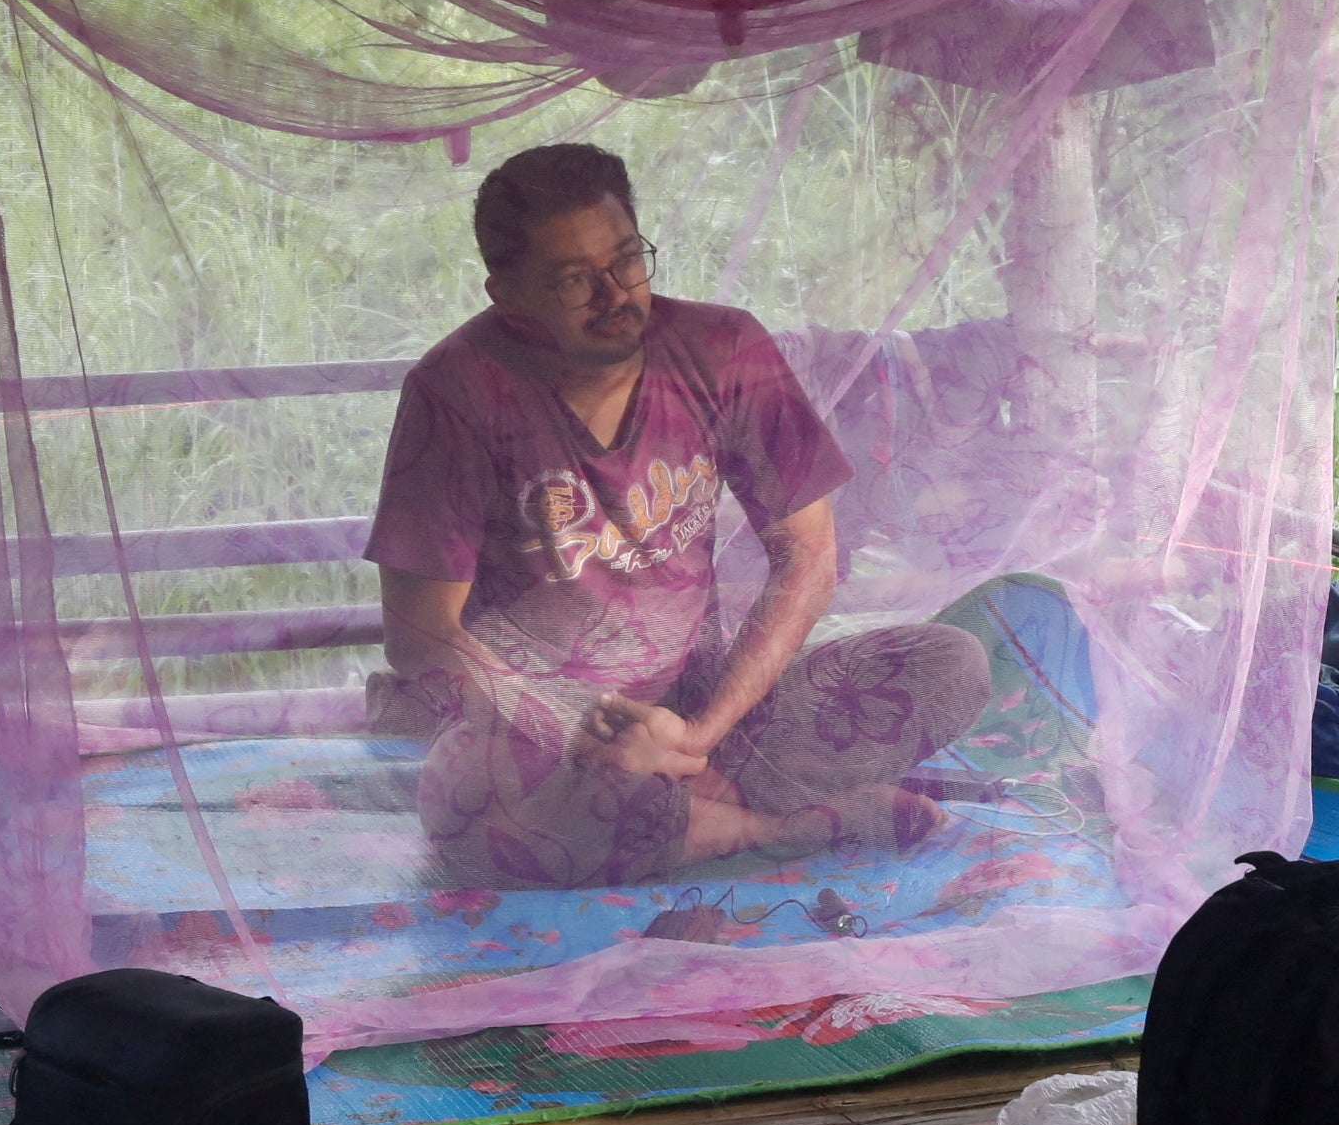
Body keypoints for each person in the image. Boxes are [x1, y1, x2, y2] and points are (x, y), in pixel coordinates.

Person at [366, 141, 989, 889]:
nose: (616, 295)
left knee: (952, 664)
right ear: (506, 293)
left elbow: (808, 557)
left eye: (628, 259)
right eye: (572, 281)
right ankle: (781, 828)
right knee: (462, 806)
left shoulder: (723, 350)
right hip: (545, 736)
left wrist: (698, 736)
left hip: (702, 711)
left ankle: (687, 810)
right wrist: (578, 728)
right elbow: (421, 633)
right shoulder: (456, 391)